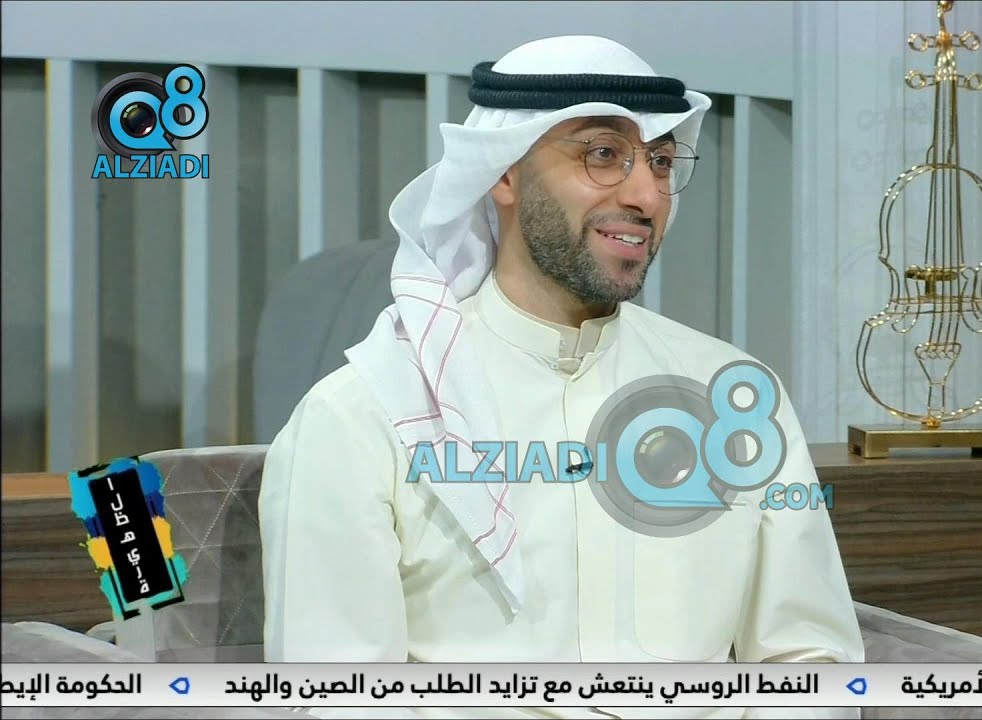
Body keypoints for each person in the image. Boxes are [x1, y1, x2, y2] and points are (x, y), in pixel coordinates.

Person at [258, 35, 863, 719]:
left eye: (661, 161)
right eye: (602, 155)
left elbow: (809, 663)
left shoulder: (737, 395)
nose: (646, 195)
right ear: (504, 174)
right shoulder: (361, 416)